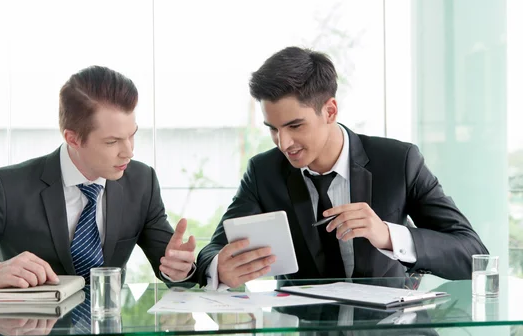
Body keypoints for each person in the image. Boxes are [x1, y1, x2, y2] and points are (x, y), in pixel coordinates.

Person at [196, 46, 488, 289]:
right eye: (272, 129)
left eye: (295, 125)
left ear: (330, 111)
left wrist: (387, 235)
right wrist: (219, 269)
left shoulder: (398, 161)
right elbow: (213, 250)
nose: (284, 143)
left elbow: (472, 254)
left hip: (392, 335)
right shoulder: (263, 172)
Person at [0, 65, 196, 295]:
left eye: (132, 135)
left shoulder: (141, 181)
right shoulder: (7, 188)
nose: (129, 151)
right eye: (112, 141)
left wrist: (179, 269)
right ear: (73, 138)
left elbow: (171, 267)